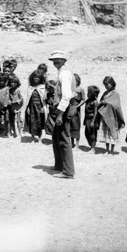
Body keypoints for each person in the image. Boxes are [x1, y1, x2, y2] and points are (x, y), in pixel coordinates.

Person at [49, 50, 76, 179]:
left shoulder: (64, 74)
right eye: (54, 60)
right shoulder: (62, 72)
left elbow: (66, 96)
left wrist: (60, 114)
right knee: (57, 137)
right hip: (62, 108)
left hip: (64, 108)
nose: (56, 61)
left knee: (64, 139)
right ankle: (60, 165)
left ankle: (68, 171)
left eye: (59, 59)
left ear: (64, 60)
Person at [97, 76, 125, 156]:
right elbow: (101, 101)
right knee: (106, 133)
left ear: (112, 83)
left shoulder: (115, 93)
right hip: (105, 115)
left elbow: (117, 105)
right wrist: (102, 102)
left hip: (113, 116)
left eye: (107, 84)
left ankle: (112, 150)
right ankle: (107, 150)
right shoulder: (105, 93)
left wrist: (106, 102)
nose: (106, 86)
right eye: (105, 85)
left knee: (112, 132)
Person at [23, 69, 48, 143]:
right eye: (35, 77)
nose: (36, 79)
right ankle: (33, 138)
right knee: (32, 123)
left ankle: (39, 138)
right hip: (32, 107)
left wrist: (44, 107)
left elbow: (44, 98)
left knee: (39, 123)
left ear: (41, 79)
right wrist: (27, 108)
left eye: (38, 77)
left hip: (40, 107)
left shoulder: (43, 87)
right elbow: (28, 99)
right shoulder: (30, 87)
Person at [70, 73, 86, 149]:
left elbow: (83, 99)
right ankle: (71, 143)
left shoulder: (80, 89)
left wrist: (78, 106)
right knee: (70, 126)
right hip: (70, 108)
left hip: (76, 111)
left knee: (76, 126)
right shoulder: (70, 88)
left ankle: (77, 144)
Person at [0, 72, 11, 137]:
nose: (1, 82)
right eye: (0, 81)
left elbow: (7, 97)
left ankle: (8, 133)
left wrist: (5, 105)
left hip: (5, 107)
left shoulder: (7, 88)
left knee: (7, 120)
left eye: (3, 81)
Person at [83, 85, 100, 153]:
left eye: (89, 93)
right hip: (87, 118)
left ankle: (93, 148)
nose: (87, 94)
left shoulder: (95, 102)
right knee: (87, 133)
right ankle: (91, 146)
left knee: (92, 133)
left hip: (92, 119)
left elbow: (96, 112)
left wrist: (93, 121)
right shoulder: (88, 100)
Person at [8, 74, 24, 138]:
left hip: (17, 107)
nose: (13, 84)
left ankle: (20, 132)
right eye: (11, 82)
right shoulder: (10, 90)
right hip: (11, 107)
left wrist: (17, 101)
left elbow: (21, 98)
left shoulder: (18, 90)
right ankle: (14, 132)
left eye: (14, 82)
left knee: (18, 120)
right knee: (12, 120)